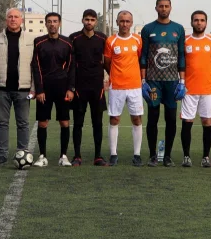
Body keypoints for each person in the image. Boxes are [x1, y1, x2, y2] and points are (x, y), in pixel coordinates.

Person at [139, 0, 186, 166]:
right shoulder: (148, 29)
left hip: (172, 81)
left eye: (166, 6)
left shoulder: (178, 29)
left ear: (170, 8)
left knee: (171, 119)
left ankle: (167, 156)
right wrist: (143, 80)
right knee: (152, 118)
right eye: (161, 6)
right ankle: (153, 155)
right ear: (156, 8)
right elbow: (143, 55)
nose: (164, 9)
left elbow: (181, 55)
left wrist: (182, 81)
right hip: (153, 81)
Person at [0, 7, 37, 166]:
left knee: (23, 123)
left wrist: (33, 88)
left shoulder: (31, 39)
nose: (13, 19)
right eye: (10, 16)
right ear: (6, 20)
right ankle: (2, 155)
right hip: (1, 89)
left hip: (24, 90)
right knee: (2, 123)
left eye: (16, 17)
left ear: (21, 20)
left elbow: (34, 66)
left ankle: (22, 152)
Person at [32, 11, 75, 166]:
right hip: (45, 89)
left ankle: (63, 156)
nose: (52, 24)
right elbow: (35, 67)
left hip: (63, 88)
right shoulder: (38, 42)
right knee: (43, 123)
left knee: (64, 122)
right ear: (46, 24)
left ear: (59, 23)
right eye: (49, 21)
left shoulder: (67, 43)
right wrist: (39, 89)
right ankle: (42, 156)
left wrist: (70, 88)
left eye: (55, 21)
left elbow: (71, 68)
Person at [104, 10, 144, 166]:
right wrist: (115, 75)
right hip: (117, 86)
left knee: (137, 119)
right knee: (114, 119)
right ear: (117, 22)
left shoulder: (138, 40)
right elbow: (107, 63)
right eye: (122, 21)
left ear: (131, 23)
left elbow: (140, 59)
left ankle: (137, 154)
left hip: (135, 86)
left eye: (127, 21)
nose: (125, 24)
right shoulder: (111, 41)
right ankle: (113, 154)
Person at [68, 9, 107, 165]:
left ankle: (98, 156)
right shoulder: (74, 38)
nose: (89, 22)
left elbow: (107, 61)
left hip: (97, 87)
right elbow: (70, 63)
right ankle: (77, 156)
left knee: (97, 123)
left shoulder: (102, 38)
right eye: (87, 19)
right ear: (82, 20)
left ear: (96, 22)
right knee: (78, 123)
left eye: (92, 19)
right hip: (79, 87)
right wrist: (71, 86)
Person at [181, 10, 211, 168]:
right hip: (189, 89)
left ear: (206, 23)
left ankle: (205, 157)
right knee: (187, 122)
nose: (199, 23)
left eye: (202, 20)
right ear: (191, 22)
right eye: (196, 20)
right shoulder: (185, 41)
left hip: (207, 88)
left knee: (207, 122)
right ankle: (186, 156)